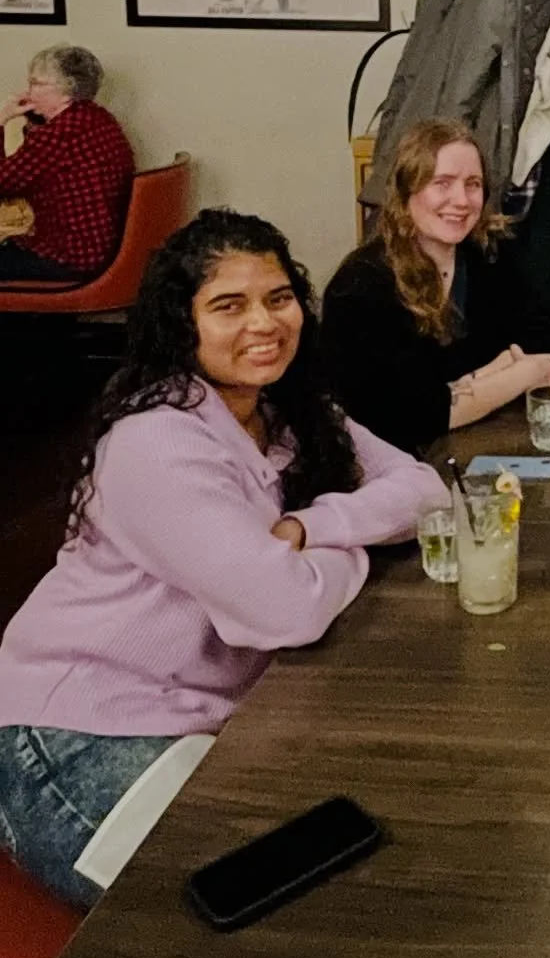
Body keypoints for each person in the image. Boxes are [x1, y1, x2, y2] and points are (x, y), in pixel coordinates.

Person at [0, 209, 447, 907]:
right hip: (72, 736)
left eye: (277, 298)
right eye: (228, 306)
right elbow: (284, 611)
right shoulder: (157, 442)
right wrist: (348, 550)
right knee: (255, 914)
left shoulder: (288, 411)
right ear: (183, 324)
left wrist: (311, 527)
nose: (264, 323)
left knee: (351, 856)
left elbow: (425, 492)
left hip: (198, 715)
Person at [322, 118, 550, 455]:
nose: (461, 200)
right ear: (407, 193)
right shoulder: (361, 286)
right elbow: (409, 415)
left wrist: (472, 385)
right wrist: (517, 375)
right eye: (442, 183)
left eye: (473, 184)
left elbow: (544, 337)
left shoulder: (487, 256)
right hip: (381, 466)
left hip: (472, 443)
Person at [0, 45, 134, 282]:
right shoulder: (98, 119)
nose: (27, 92)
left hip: (70, 255)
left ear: (66, 91)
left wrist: (1, 120)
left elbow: (5, 183)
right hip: (103, 248)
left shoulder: (58, 135)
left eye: (36, 84)